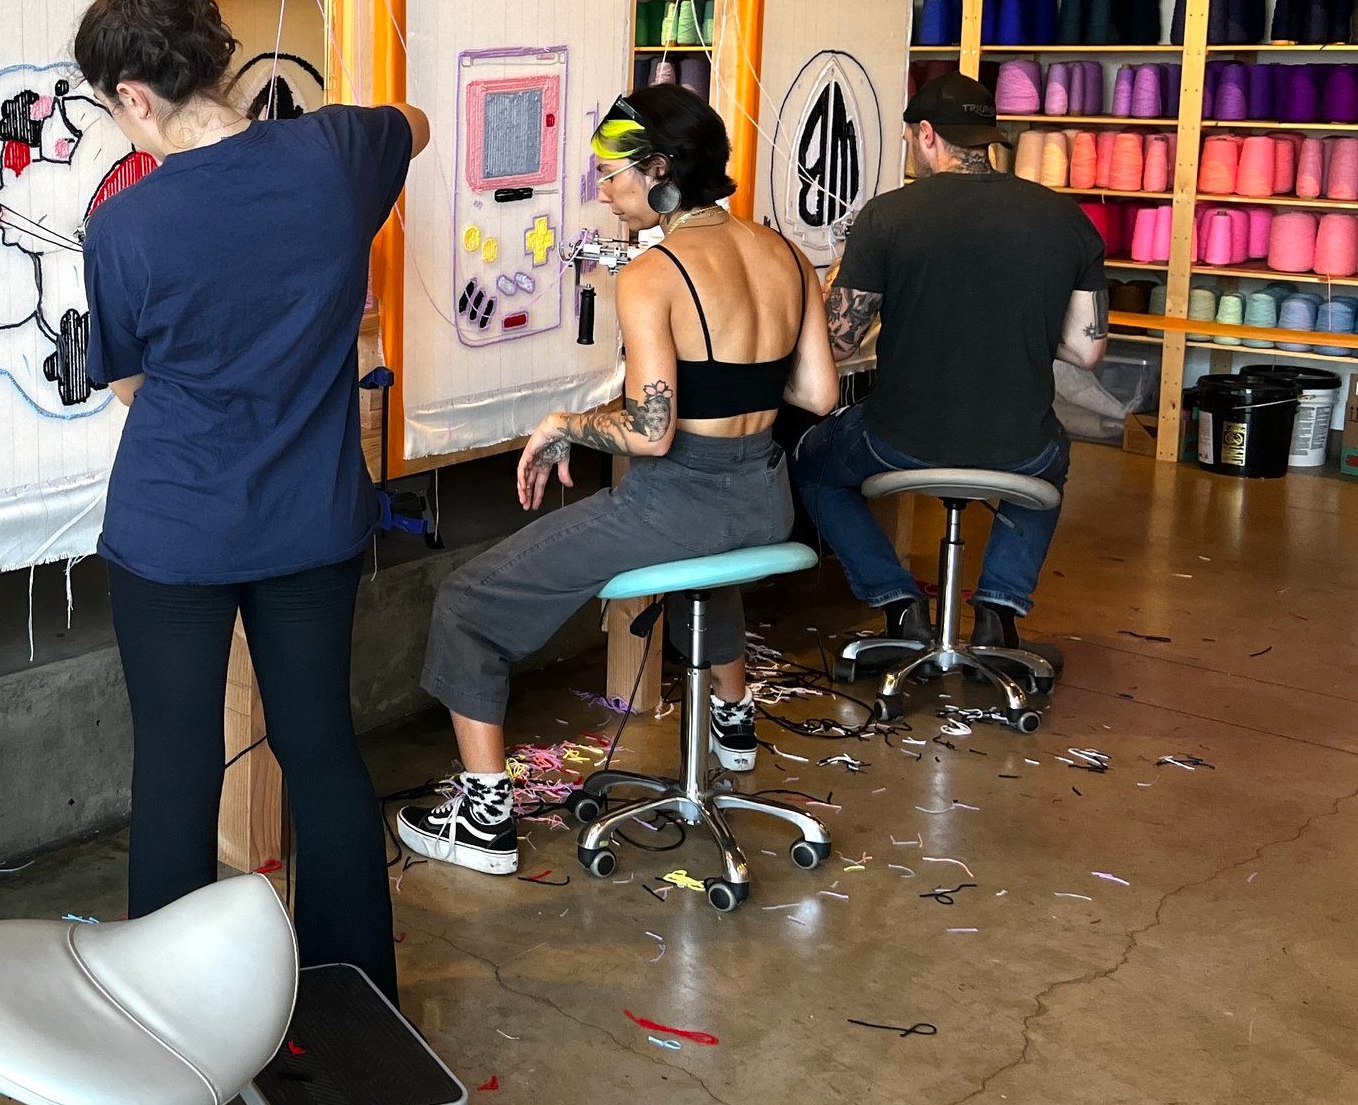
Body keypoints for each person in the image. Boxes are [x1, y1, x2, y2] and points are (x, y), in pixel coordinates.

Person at [77, 0, 427, 1006]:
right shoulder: (339, 154)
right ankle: (357, 1002)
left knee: (177, 769)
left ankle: (172, 1036)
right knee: (320, 750)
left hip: (175, 529)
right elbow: (409, 121)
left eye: (114, 110)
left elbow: (127, 380)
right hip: (310, 520)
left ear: (136, 94)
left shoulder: (124, 225)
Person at [399, 85, 840, 878]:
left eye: (612, 173)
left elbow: (651, 429)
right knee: (715, 564)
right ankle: (733, 724)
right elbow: (817, 395)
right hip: (766, 502)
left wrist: (565, 422)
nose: (601, 189)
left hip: (679, 501)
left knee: (467, 602)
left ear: (661, 170)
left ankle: (483, 816)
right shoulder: (784, 254)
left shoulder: (652, 274)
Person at [794, 71, 1108, 648]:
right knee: (1050, 459)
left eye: (912, 136)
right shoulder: (1065, 218)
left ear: (928, 133)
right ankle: (998, 610)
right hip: (1021, 443)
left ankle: (897, 600)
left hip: (899, 439)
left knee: (813, 462)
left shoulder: (887, 216)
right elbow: (1087, 349)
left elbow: (838, 346)